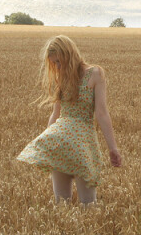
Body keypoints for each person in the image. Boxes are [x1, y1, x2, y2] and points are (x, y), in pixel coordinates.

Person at [17, 35, 122, 205]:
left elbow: (55, 115)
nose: (57, 66)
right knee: (88, 204)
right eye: (54, 63)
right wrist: (113, 148)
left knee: (61, 204)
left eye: (59, 61)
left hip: (59, 142)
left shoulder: (71, 76)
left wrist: (48, 139)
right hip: (81, 145)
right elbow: (101, 113)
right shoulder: (95, 73)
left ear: (69, 54)